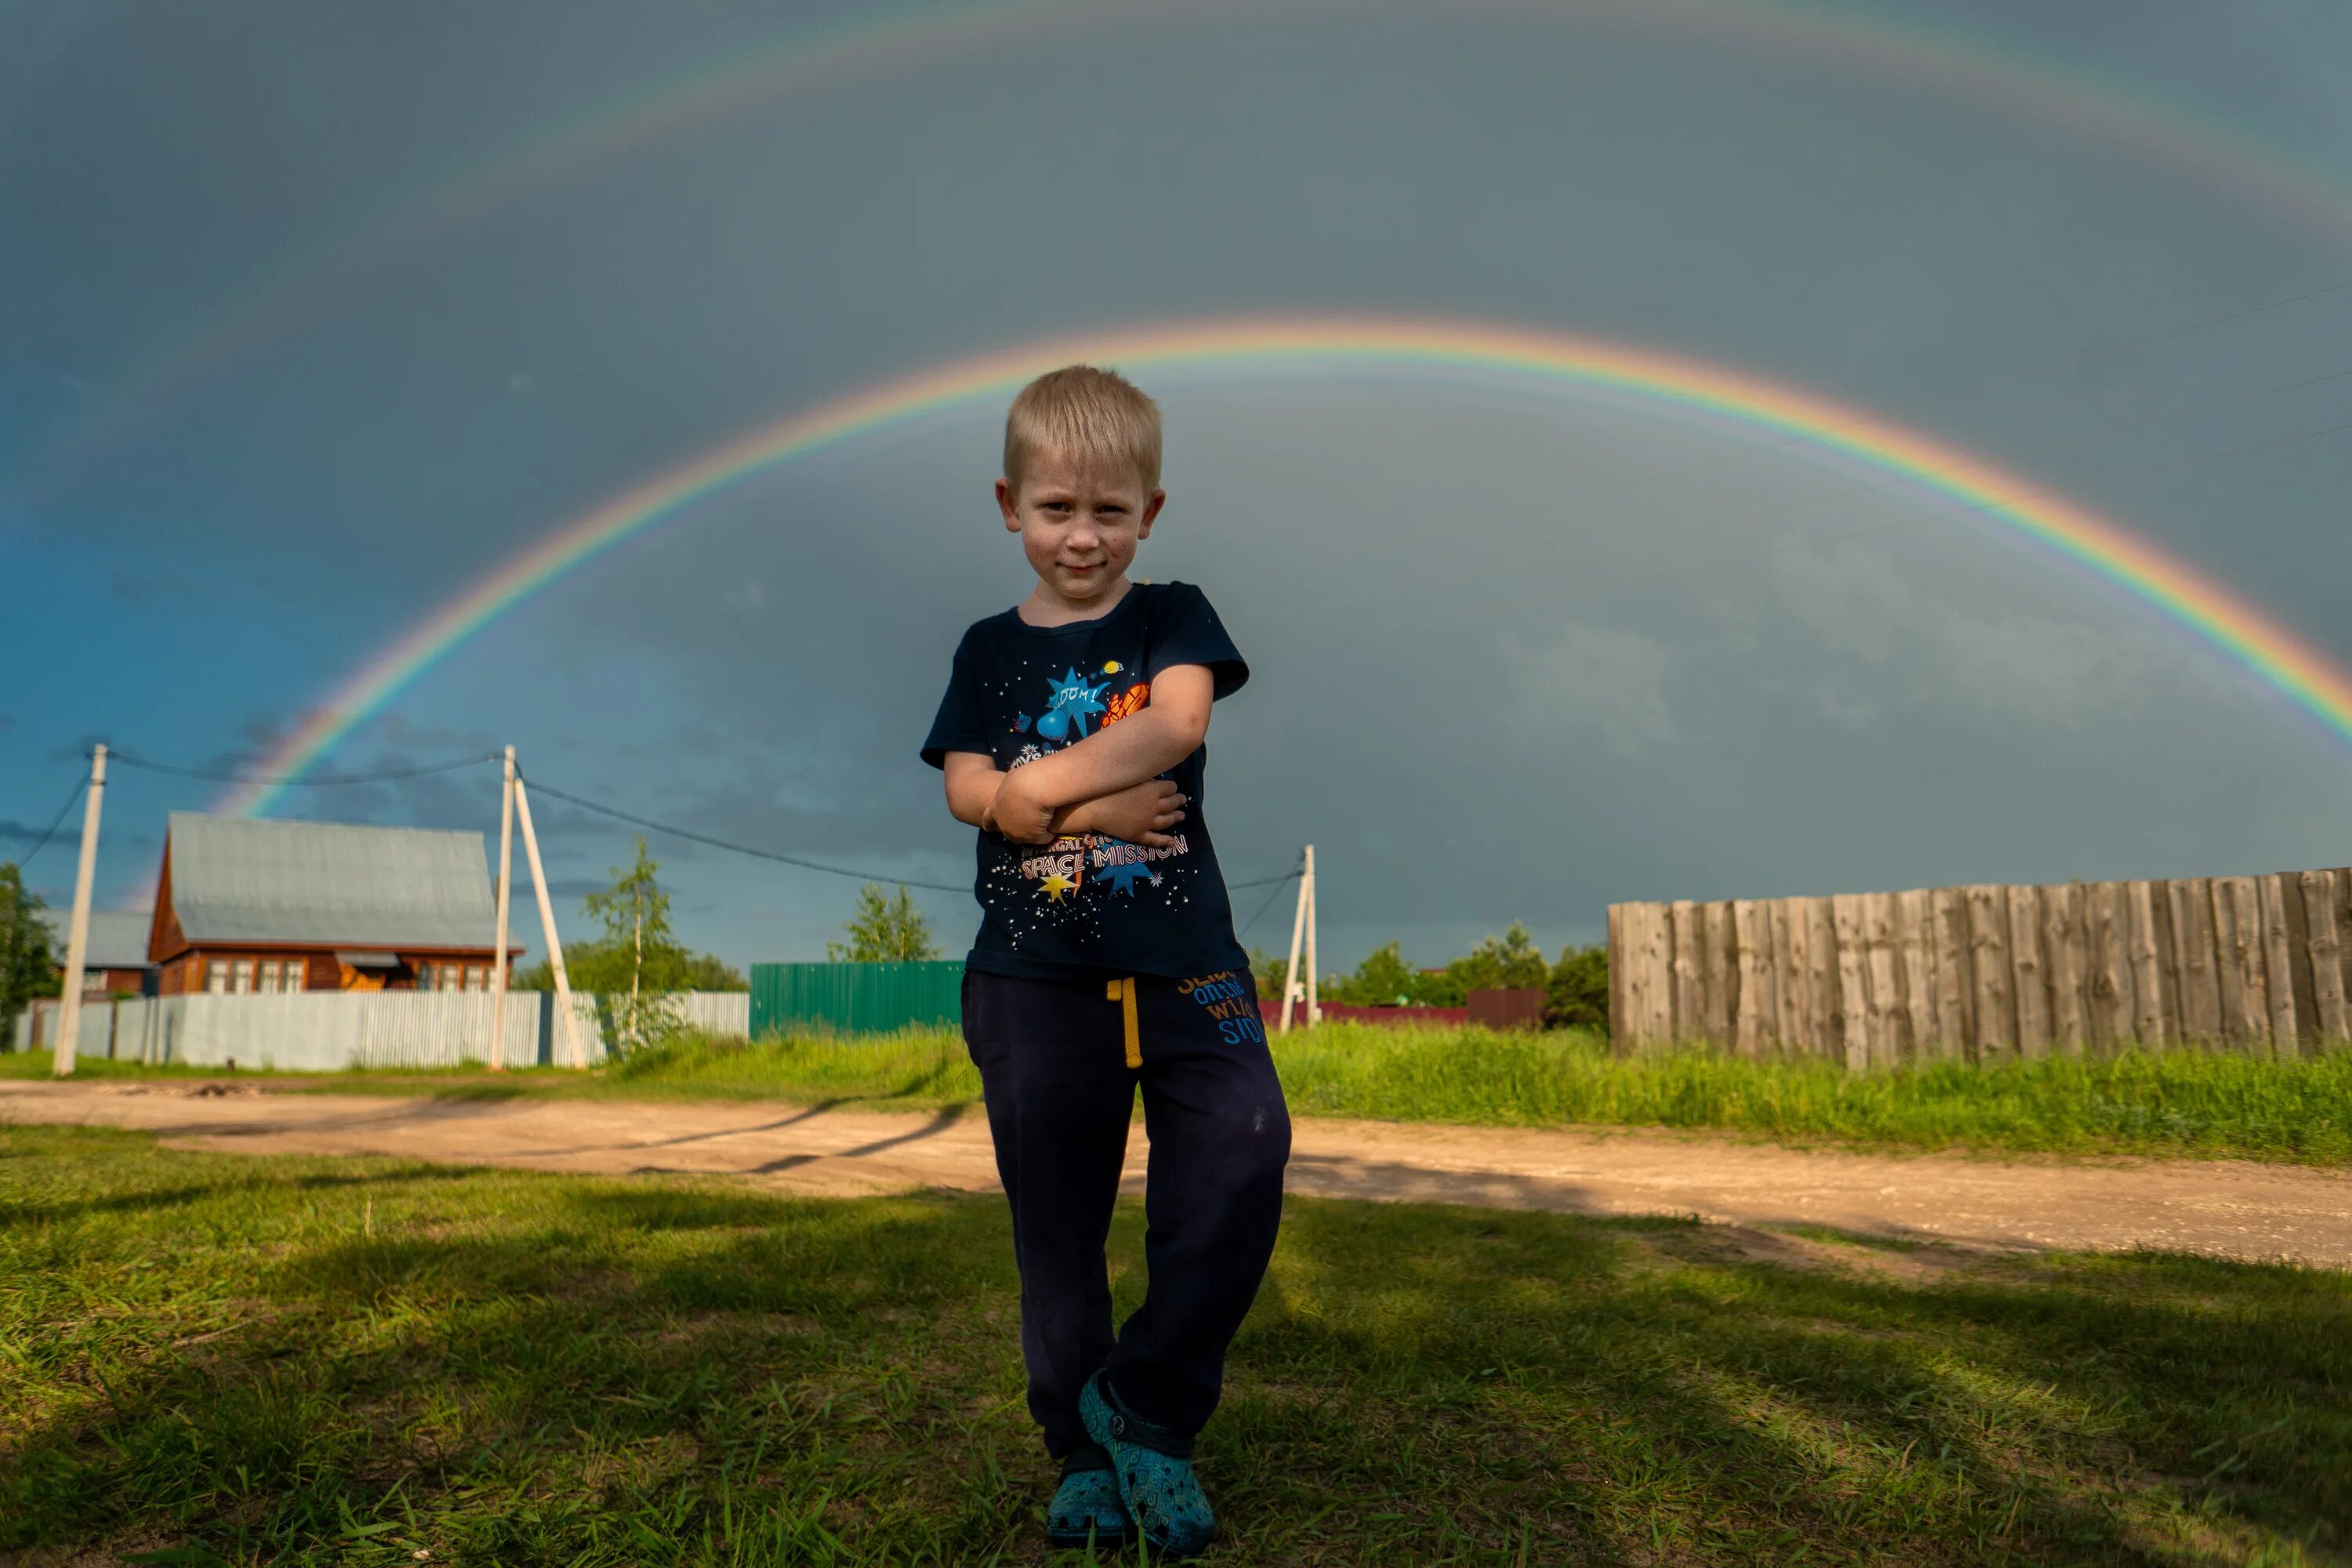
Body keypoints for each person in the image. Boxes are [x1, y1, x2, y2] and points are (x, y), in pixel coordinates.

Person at [921, 365, 1290, 1555]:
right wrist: (1083, 813)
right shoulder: (984, 649)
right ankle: (1081, 1456)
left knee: (1244, 1156)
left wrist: (1030, 789)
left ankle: (1145, 1405)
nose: (1083, 537)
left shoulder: (1172, 616)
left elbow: (1174, 726)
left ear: (1152, 513)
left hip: (1188, 965)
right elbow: (964, 791)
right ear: (1008, 503)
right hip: (1033, 980)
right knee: (1059, 1228)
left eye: (1110, 511)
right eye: (1056, 509)